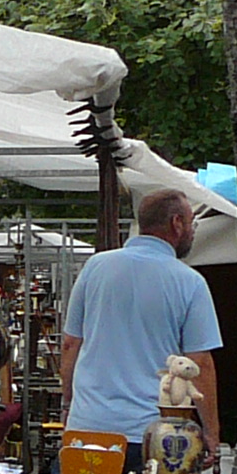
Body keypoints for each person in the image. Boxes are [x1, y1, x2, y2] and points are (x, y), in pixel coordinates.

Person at [57, 189, 222, 457]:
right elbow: (200, 363)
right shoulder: (190, 282)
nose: (192, 231)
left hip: (87, 428)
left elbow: (70, 344)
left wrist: (69, 404)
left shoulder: (94, 267)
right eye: (192, 223)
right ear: (176, 223)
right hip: (151, 434)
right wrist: (211, 433)